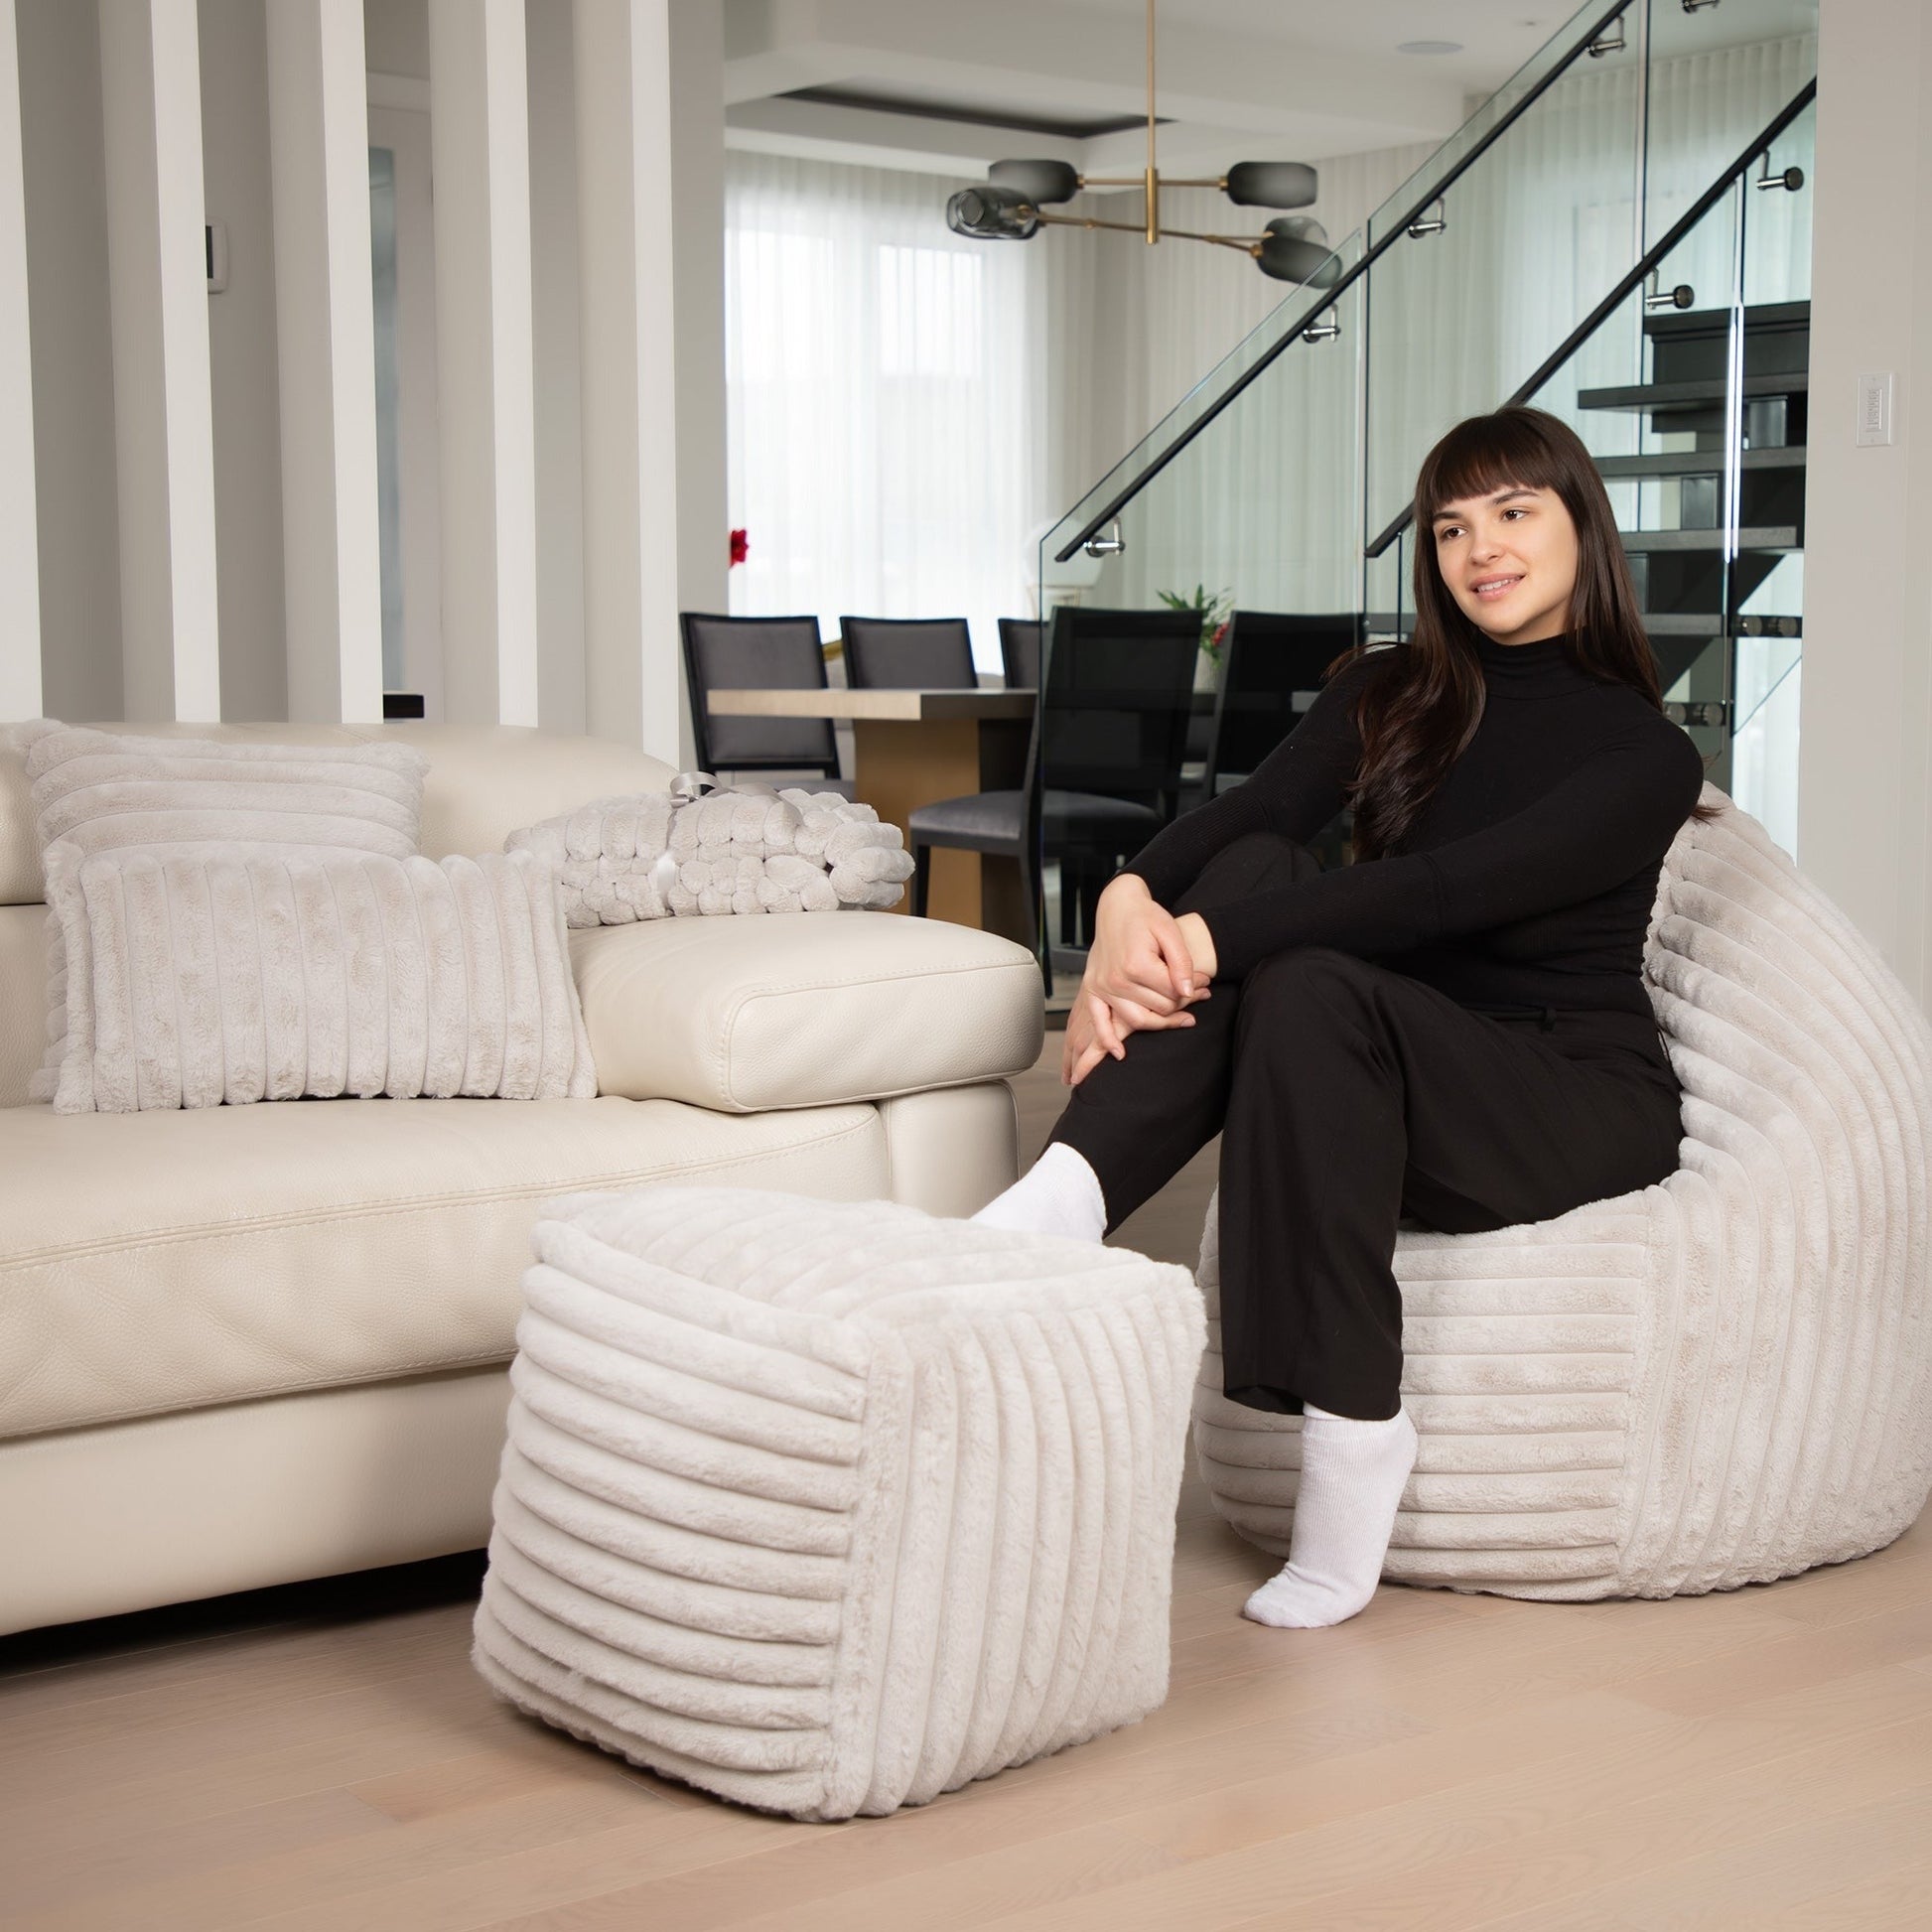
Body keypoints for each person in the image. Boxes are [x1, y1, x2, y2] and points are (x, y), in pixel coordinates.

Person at [973, 405, 1715, 1630]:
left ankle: (1356, 1427)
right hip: (1373, 1060)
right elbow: (1247, 815)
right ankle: (1063, 1201)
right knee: (1263, 867)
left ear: (1582, 525)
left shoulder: (1643, 754)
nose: (1478, 548)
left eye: (1512, 512)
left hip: (1559, 1091)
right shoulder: (1392, 689)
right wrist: (1125, 901)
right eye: (1449, 528)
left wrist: (1198, 944)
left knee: (1305, 971)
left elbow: (1442, 891)